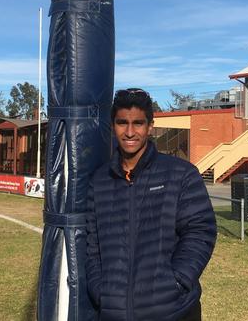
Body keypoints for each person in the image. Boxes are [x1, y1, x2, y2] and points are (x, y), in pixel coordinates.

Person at [86, 88, 217, 321]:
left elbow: (200, 232)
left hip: (174, 312)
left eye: (138, 123)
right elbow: (92, 245)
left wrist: (177, 282)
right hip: (114, 313)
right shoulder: (99, 181)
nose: (129, 132)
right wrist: (101, 292)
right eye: (121, 123)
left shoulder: (181, 174)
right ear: (112, 125)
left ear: (150, 126)